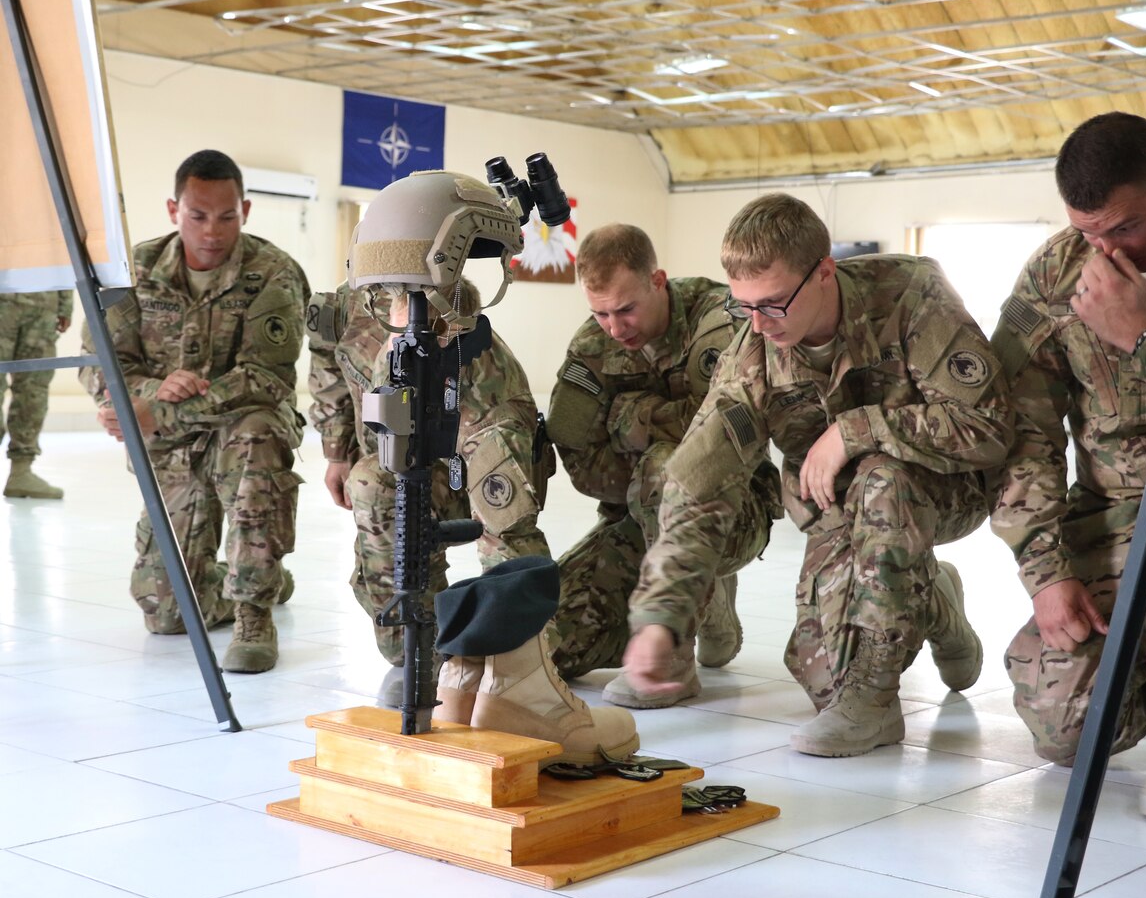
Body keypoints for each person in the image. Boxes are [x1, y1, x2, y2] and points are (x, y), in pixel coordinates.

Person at [622, 193, 1013, 757]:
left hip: (941, 491)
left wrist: (859, 431)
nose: (758, 324)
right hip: (837, 510)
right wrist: (660, 616)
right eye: (744, 306)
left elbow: (989, 425)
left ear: (824, 271)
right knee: (822, 676)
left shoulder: (911, 296)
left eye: (774, 303)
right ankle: (934, 599)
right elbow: (698, 480)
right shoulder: (753, 350)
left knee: (883, 477)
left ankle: (874, 701)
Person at [309, 168, 634, 757]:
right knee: (371, 484)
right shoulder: (345, 311)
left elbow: (508, 532)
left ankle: (521, 684)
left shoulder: (476, 362)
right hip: (404, 462)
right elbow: (329, 369)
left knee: (503, 524)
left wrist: (520, 646)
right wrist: (337, 449)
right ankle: (426, 658)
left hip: (471, 467)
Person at [988, 112, 1146, 823]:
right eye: (1088, 234)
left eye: (1124, 229)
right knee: (1065, 721)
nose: (1105, 253)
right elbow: (1023, 432)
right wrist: (1047, 571)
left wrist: (1143, 338)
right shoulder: (1056, 276)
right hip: (1120, 521)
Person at [81, 149, 309, 673]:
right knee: (165, 614)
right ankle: (241, 585)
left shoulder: (271, 273)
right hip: (173, 449)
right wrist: (153, 389)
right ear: (172, 209)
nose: (212, 231)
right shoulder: (134, 271)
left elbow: (264, 378)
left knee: (256, 433)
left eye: (227, 216)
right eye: (198, 216)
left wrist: (159, 412)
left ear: (245, 211)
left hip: (240, 430)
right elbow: (100, 362)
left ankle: (254, 610)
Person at [545, 223, 782, 710]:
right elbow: (583, 463)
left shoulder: (723, 320)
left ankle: (674, 651)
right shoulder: (592, 349)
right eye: (601, 313)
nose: (615, 328)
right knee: (554, 644)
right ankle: (703, 599)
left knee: (663, 468)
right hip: (637, 514)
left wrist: (635, 418)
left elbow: (740, 428)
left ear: (658, 281)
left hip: (734, 510)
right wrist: (674, 430)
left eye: (626, 309)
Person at [1, 289, 72, 499]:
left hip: (42, 301)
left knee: (34, 388)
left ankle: (21, 471)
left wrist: (65, 302)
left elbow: (63, 256)